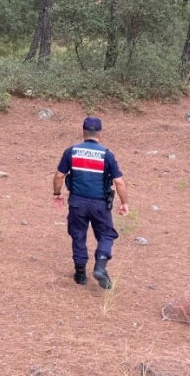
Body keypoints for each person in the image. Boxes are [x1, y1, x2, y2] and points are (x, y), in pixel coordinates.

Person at [53, 117, 129, 289]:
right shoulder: (107, 154)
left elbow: (59, 176)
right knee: (106, 234)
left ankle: (80, 275)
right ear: (100, 134)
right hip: (100, 204)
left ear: (83, 132)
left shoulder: (71, 152)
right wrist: (124, 202)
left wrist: (57, 194)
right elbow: (120, 183)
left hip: (77, 203)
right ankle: (100, 266)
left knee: (78, 235)